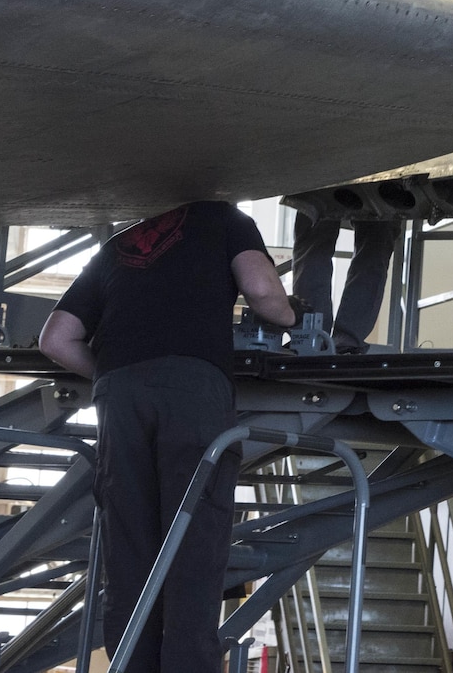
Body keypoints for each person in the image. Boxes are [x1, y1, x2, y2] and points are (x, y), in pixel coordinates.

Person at [37, 202, 298, 673]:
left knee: (130, 547)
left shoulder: (117, 245)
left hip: (118, 395)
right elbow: (262, 290)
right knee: (192, 544)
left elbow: (55, 339)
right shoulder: (224, 219)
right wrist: (292, 319)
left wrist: (119, 375)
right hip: (192, 387)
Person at [291, 0, 426, 349]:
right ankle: (309, 333)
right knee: (315, 227)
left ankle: (348, 340)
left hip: (386, 123)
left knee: (379, 233)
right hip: (325, 118)